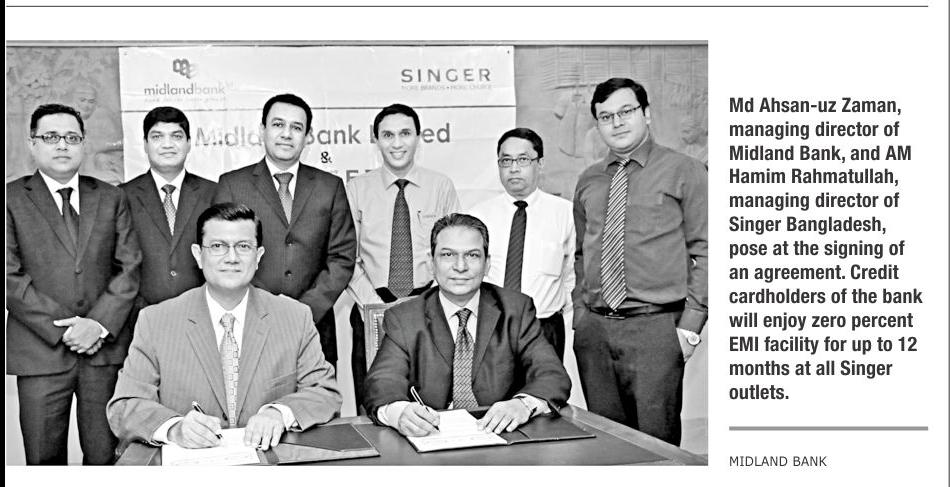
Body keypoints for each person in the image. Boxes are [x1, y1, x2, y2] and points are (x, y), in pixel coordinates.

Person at [107, 203, 342, 451]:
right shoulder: (156, 321)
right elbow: (125, 406)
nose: (231, 258)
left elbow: (324, 392)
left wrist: (279, 413)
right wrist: (175, 429)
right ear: (198, 255)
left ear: (259, 256)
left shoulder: (294, 316)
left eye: (243, 246)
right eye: (218, 246)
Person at [573, 77, 708, 445]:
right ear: (597, 124)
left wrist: (690, 326)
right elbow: (583, 254)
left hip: (656, 330)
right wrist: (581, 316)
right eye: (605, 116)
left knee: (655, 447)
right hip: (595, 333)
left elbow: (708, 251)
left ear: (646, 114)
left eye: (626, 111)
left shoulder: (685, 171)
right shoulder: (588, 180)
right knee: (607, 446)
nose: (616, 123)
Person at [6, 103, 141, 464]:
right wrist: (66, 329)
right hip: (40, 353)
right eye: (51, 137)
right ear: (33, 144)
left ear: (83, 144)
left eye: (71, 137)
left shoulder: (111, 197)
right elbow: (9, 277)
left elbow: (129, 268)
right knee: (43, 462)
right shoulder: (10, 198)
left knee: (106, 459)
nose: (62, 145)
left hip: (103, 352)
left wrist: (97, 324)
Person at [364, 213, 570, 437]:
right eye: (448, 255)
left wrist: (523, 405)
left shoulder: (516, 310)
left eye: (472, 255)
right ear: (431, 262)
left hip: (501, 436)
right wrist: (400, 412)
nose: (460, 266)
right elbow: (382, 381)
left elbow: (552, 374)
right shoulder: (404, 318)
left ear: (487, 263)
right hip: (430, 438)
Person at [214, 93, 356, 366]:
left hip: (315, 327)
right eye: (278, 124)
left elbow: (342, 257)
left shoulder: (330, 187)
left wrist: (304, 310)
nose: (286, 134)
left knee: (316, 394)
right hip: (249, 324)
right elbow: (222, 255)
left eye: (296, 127)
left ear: (308, 136)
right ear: (262, 130)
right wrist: (263, 309)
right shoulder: (232, 185)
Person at [346, 103, 460, 410]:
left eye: (405, 133)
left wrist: (425, 304)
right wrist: (375, 306)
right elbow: (346, 257)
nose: (397, 143)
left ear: (418, 138)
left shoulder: (440, 186)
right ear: (376, 140)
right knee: (375, 403)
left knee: (432, 403)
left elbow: (452, 253)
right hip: (371, 309)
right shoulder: (356, 189)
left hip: (429, 308)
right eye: (388, 135)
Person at [468, 128, 575, 360]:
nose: (514, 168)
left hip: (544, 327)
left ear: (540, 163)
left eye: (523, 159)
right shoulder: (478, 216)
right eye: (506, 161)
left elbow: (571, 275)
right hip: (492, 326)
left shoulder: (565, 213)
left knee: (546, 383)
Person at [122, 106, 216, 312]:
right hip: (139, 314)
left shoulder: (213, 193)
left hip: (202, 312)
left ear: (189, 143)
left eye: (176, 136)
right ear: (145, 144)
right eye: (157, 137)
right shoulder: (122, 196)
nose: (167, 144)